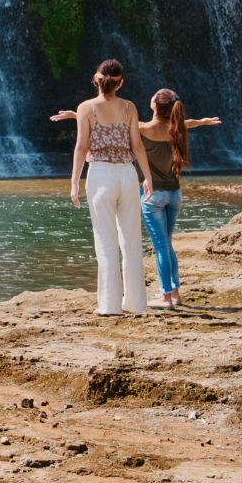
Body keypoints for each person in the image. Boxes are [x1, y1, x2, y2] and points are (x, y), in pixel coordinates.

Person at [52, 90, 222, 308]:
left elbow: (112, 125)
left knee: (160, 246)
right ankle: (176, 293)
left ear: (154, 106)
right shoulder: (176, 127)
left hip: (153, 196)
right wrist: (202, 121)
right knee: (167, 245)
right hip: (174, 193)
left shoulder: (144, 128)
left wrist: (77, 115)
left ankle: (166, 297)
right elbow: (188, 123)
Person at [68, 59, 155, 317]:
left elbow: (81, 148)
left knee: (105, 242)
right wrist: (147, 177)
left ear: (97, 80)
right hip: (128, 174)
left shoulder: (86, 108)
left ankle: (109, 306)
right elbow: (137, 146)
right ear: (121, 82)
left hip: (101, 176)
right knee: (130, 241)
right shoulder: (129, 108)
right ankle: (137, 304)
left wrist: (74, 181)